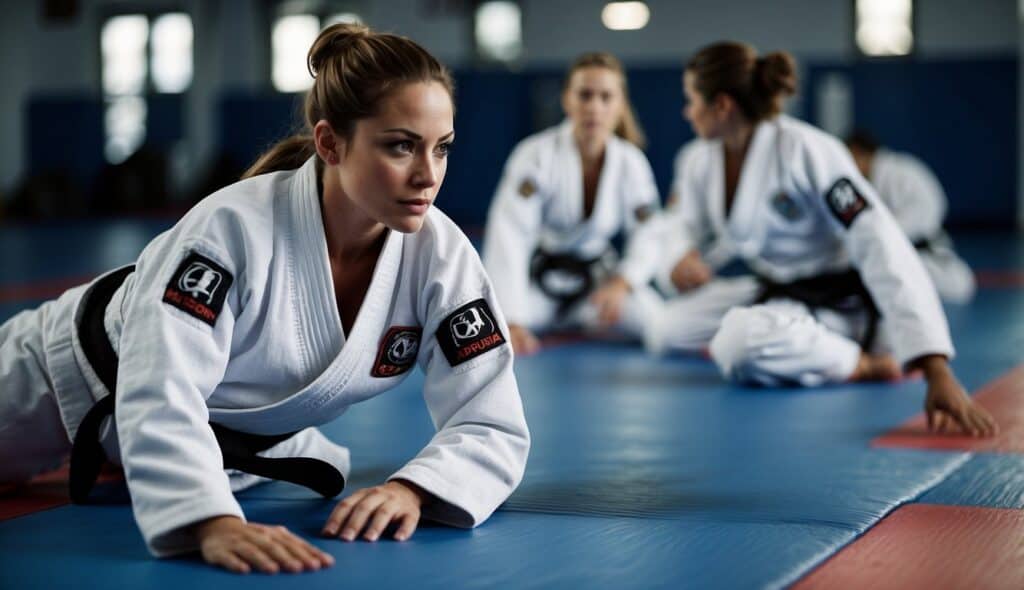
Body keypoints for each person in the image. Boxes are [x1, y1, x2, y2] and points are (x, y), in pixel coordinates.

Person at [0, 24, 530, 574]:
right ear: (330, 143)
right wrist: (211, 521)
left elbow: (490, 420)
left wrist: (415, 490)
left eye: (441, 148)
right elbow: (160, 384)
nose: (428, 175)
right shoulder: (231, 228)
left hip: (229, 437)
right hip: (63, 374)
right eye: (400, 145)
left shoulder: (441, 256)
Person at [643, 42, 995, 436]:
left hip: (839, 297)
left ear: (722, 105)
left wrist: (934, 366)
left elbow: (879, 239)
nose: (686, 112)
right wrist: (677, 257)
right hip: (775, 287)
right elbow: (679, 223)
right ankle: (802, 339)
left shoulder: (807, 150)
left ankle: (862, 363)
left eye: (691, 101)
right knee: (665, 329)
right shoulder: (697, 160)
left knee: (738, 342)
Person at [482, 52, 662, 355]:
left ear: (620, 105)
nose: (594, 107)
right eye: (585, 95)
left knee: (659, 325)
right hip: (539, 287)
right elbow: (509, 233)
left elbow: (650, 231)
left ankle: (592, 314)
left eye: (606, 97)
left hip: (598, 287)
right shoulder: (535, 154)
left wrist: (622, 283)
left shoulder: (631, 162)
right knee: (493, 331)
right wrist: (512, 319)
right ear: (567, 99)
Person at [846, 130, 976, 303]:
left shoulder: (898, 174)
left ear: (860, 152)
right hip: (902, 249)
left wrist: (879, 238)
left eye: (851, 158)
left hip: (922, 251)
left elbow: (926, 214)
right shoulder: (880, 176)